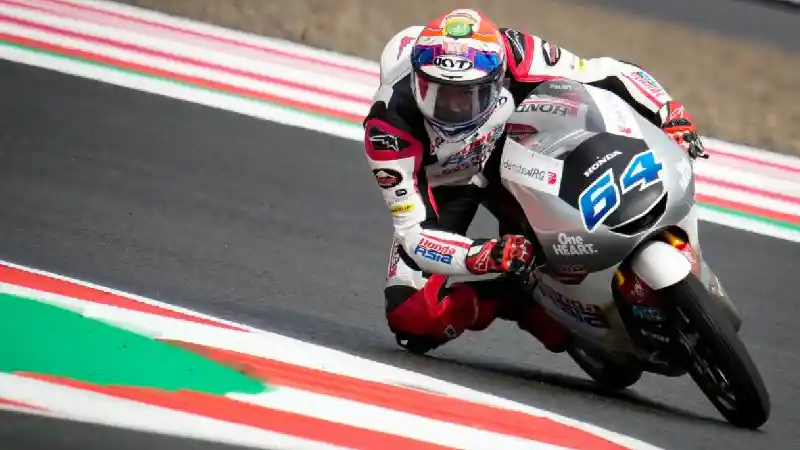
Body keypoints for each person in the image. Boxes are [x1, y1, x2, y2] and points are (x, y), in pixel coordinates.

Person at [363, 8, 707, 355]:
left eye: (467, 95)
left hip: (512, 140)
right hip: (445, 186)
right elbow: (413, 235)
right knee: (412, 319)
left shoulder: (514, 51)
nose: (451, 107)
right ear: (416, 81)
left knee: (586, 107)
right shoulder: (387, 132)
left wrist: (669, 111)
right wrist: (482, 255)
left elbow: (605, 72)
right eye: (436, 91)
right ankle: (519, 298)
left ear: (496, 79)